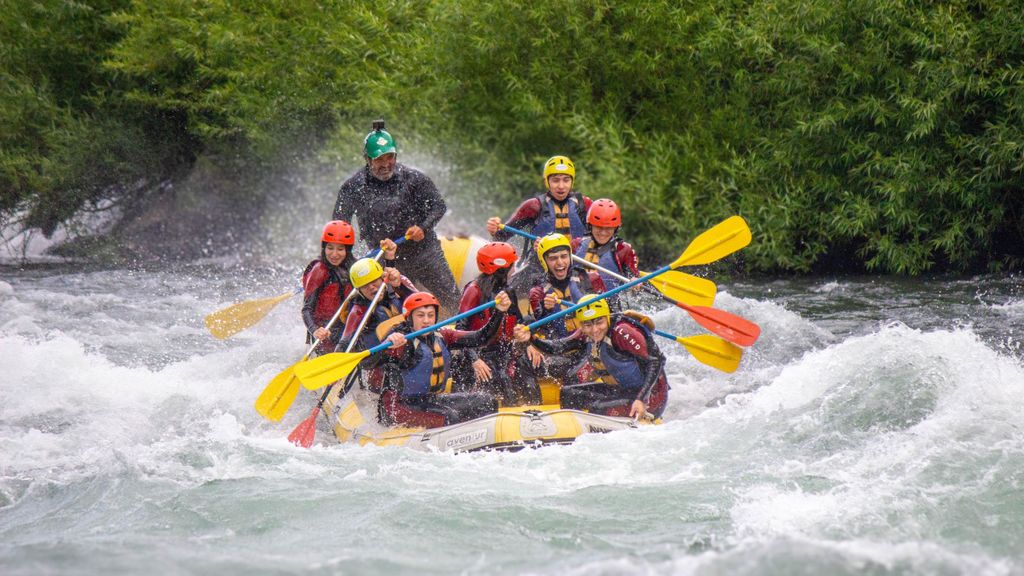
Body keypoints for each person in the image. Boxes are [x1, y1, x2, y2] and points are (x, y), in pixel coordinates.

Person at [332, 120, 460, 313]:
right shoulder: (353, 187)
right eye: (379, 159)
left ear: (396, 155)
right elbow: (340, 227)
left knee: (454, 300)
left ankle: (469, 333)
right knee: (395, 311)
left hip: (425, 253)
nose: (385, 164)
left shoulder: (414, 179)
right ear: (367, 159)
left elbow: (438, 206)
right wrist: (346, 261)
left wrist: (423, 227)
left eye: (390, 157)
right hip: (386, 259)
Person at [514, 295, 669, 419]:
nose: (594, 330)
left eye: (599, 322)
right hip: (622, 390)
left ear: (607, 318)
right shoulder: (585, 333)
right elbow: (557, 347)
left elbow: (657, 361)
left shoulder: (623, 331)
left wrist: (641, 399)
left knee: (597, 408)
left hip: (650, 397)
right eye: (588, 325)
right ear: (581, 324)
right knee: (568, 393)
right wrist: (532, 339)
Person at [377, 291, 513, 428]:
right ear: (410, 318)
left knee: (487, 401)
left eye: (430, 315)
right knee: (450, 416)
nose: (426, 321)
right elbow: (368, 362)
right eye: (420, 315)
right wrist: (386, 344)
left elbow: (481, 338)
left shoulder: (443, 336)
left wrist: (499, 312)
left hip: (429, 400)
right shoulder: (401, 342)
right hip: (399, 407)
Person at [486, 155, 593, 287]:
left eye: (566, 180)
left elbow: (602, 238)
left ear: (572, 181)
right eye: (555, 180)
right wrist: (495, 230)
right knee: (515, 289)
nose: (561, 186)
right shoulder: (533, 206)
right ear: (547, 182)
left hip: (577, 267)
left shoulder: (585, 205)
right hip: (540, 270)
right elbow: (501, 237)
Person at [453, 241, 539, 405]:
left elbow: (519, 321)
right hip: (479, 352)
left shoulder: (508, 291)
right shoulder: (474, 291)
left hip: (502, 349)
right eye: (511, 266)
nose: (514, 269)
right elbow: (460, 329)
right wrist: (474, 360)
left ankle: (536, 409)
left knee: (527, 370)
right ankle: (510, 411)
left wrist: (529, 343)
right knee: (502, 377)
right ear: (500, 269)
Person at [518, 233, 607, 388]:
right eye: (553, 258)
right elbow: (538, 326)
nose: (560, 262)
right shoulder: (538, 292)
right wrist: (546, 310)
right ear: (544, 261)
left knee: (574, 375)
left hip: (589, 344)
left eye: (564, 256)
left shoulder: (589, 279)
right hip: (562, 347)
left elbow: (610, 313)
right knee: (523, 364)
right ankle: (532, 406)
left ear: (570, 256)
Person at [335, 254, 416, 392]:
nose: (372, 288)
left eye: (374, 281)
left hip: (406, 344)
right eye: (365, 286)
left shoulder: (397, 285)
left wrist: (400, 287)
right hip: (376, 357)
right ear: (359, 290)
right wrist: (335, 368)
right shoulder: (358, 311)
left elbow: (426, 304)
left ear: (382, 278)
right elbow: (344, 343)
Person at [301, 220, 357, 355]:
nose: (334, 254)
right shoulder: (319, 270)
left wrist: (389, 259)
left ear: (347, 250)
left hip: (347, 328)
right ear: (324, 248)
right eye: (330, 248)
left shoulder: (355, 267)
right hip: (325, 331)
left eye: (340, 249)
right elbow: (306, 309)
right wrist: (315, 330)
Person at [572, 199, 639, 291]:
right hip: (578, 299)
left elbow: (633, 275)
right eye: (599, 227)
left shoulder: (623, 249)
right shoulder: (576, 245)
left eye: (608, 228)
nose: (603, 233)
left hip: (609, 302)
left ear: (615, 229)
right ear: (590, 226)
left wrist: (635, 281)